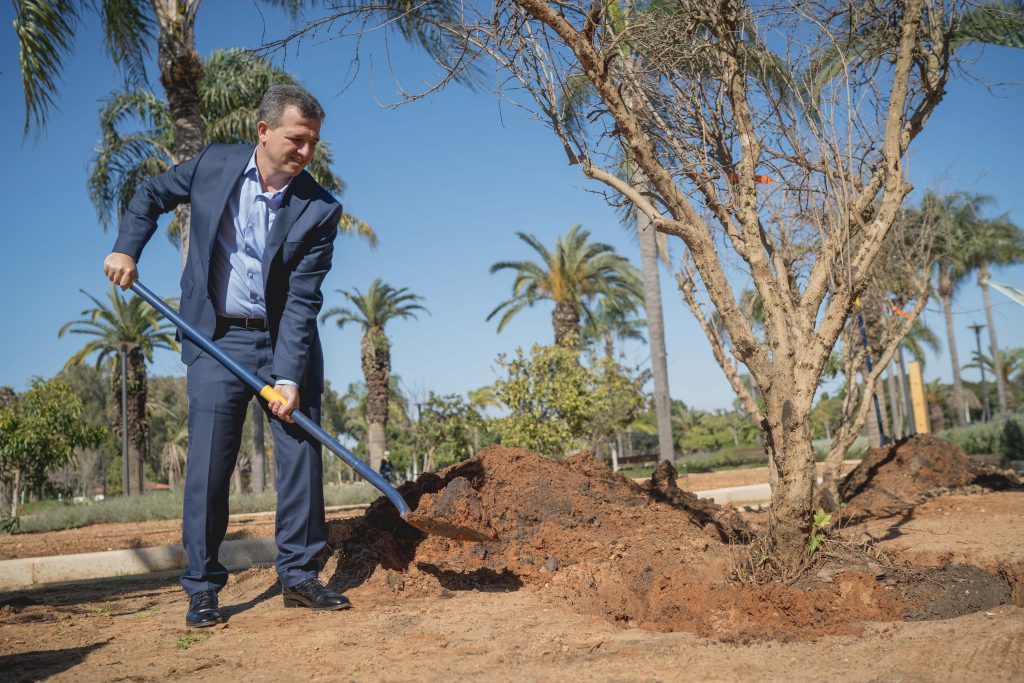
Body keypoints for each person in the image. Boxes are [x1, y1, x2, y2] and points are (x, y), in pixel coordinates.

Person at [104, 85, 350, 628]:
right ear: (264, 132)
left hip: (286, 341)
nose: (306, 152)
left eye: (313, 142)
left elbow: (304, 301)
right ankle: (203, 587)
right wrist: (127, 248)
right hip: (217, 339)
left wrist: (288, 376)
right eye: (296, 139)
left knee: (300, 453)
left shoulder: (320, 209)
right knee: (210, 466)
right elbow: (150, 195)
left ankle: (300, 575)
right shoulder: (214, 164)